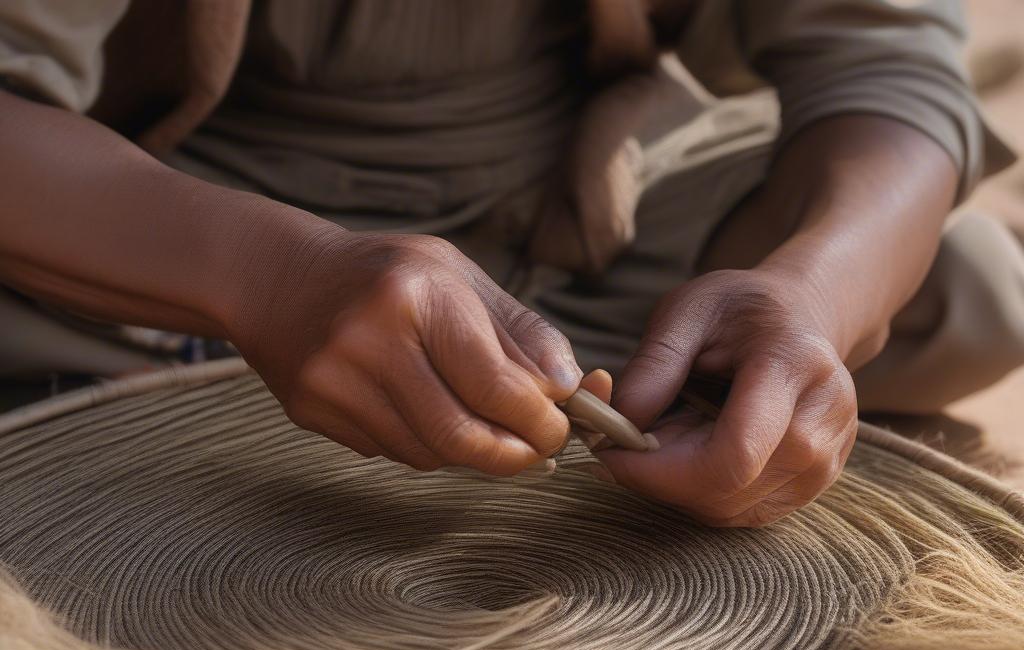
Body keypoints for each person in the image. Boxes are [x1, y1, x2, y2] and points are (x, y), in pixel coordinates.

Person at [0, 0, 1021, 527]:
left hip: (561, 197)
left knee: (961, 288)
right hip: (189, 189)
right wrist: (268, 277)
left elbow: (888, 74)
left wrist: (810, 299)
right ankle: (212, 341)